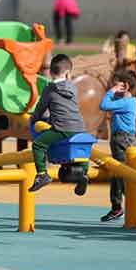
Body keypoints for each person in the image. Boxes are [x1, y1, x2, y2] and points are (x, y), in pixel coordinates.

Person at [28, 54, 88, 195]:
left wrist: (34, 119)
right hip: (80, 127)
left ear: (50, 72)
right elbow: (66, 109)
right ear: (67, 73)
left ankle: (42, 174)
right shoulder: (73, 87)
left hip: (62, 128)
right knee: (81, 152)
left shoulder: (49, 89)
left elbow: (41, 109)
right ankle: (84, 174)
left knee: (38, 144)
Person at [99, 69, 136, 223]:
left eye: (116, 85)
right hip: (119, 139)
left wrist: (110, 92)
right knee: (116, 174)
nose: (114, 88)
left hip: (124, 140)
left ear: (125, 86)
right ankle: (116, 207)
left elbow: (103, 104)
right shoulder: (124, 102)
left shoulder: (127, 102)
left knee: (124, 175)